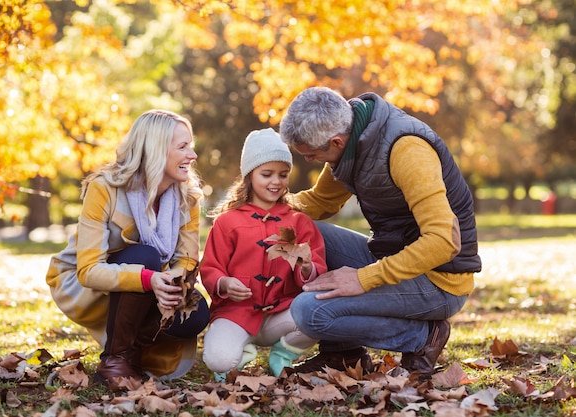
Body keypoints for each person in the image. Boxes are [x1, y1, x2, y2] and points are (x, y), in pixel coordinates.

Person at [278, 86, 482, 379]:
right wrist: (261, 207)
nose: (309, 161)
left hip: (440, 279)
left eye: (312, 155)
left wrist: (364, 278)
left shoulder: (406, 150)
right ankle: (342, 355)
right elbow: (320, 201)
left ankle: (422, 336)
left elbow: (443, 241)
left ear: (335, 141)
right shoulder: (350, 146)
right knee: (304, 233)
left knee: (310, 312)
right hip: (394, 257)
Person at [46, 110, 210, 390]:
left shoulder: (189, 197)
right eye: (182, 147)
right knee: (144, 256)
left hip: (147, 285)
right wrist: (149, 279)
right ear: (156, 150)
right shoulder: (106, 188)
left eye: (190, 146)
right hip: (85, 285)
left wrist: (170, 285)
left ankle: (132, 349)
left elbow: (186, 259)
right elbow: (88, 270)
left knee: (196, 312)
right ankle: (115, 359)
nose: (192, 155)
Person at [200, 128, 327, 379]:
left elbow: (317, 267)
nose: (276, 182)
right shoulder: (228, 222)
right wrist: (224, 283)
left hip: (282, 312)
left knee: (318, 314)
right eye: (266, 174)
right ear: (249, 175)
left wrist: (307, 268)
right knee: (219, 360)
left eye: (283, 175)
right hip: (237, 313)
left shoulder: (299, 222)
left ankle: (283, 353)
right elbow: (210, 268)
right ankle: (241, 350)